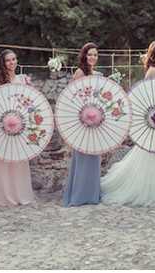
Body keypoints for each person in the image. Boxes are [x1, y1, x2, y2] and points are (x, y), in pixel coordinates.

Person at [100, 41, 155, 206]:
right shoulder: (153, 71)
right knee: (152, 152)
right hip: (154, 118)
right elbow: (146, 96)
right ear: (153, 55)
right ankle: (147, 190)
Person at [0, 49, 36, 207]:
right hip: (4, 126)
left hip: (20, 125)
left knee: (19, 159)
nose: (12, 62)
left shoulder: (24, 80)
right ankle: (3, 196)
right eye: (8, 60)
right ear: (3, 63)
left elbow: (31, 101)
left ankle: (21, 194)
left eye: (14, 59)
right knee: (4, 160)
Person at [62, 42, 102, 207]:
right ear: (84, 56)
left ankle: (92, 194)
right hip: (82, 120)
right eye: (90, 54)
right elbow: (71, 96)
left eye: (95, 55)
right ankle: (78, 194)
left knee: (94, 156)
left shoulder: (98, 74)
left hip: (96, 120)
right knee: (83, 156)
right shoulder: (79, 73)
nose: (92, 57)